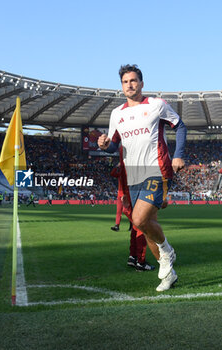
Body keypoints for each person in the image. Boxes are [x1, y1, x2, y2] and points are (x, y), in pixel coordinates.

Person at [98, 64, 187, 292]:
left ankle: (167, 251)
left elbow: (180, 126)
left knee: (138, 220)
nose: (130, 84)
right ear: (122, 86)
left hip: (155, 170)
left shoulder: (157, 105)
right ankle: (168, 274)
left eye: (134, 80)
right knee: (147, 226)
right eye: (126, 81)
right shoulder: (117, 114)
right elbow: (114, 145)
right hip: (132, 176)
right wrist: (106, 145)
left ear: (141, 83)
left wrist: (178, 155)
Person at [110, 162, 132, 231]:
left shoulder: (127, 175)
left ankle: (134, 223)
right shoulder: (121, 175)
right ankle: (117, 226)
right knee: (119, 211)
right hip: (120, 194)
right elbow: (112, 174)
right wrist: (117, 166)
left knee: (126, 210)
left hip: (125, 194)